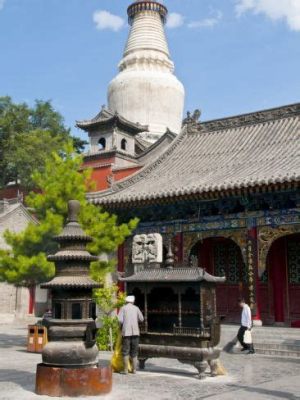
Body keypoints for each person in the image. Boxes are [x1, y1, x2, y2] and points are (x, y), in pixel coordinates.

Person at [118, 295, 144, 374]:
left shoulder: (123, 308)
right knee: (134, 352)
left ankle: (126, 370)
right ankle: (134, 370)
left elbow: (120, 320)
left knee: (125, 351)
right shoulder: (136, 308)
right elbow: (141, 319)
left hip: (126, 333)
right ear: (133, 301)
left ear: (126, 301)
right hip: (136, 333)